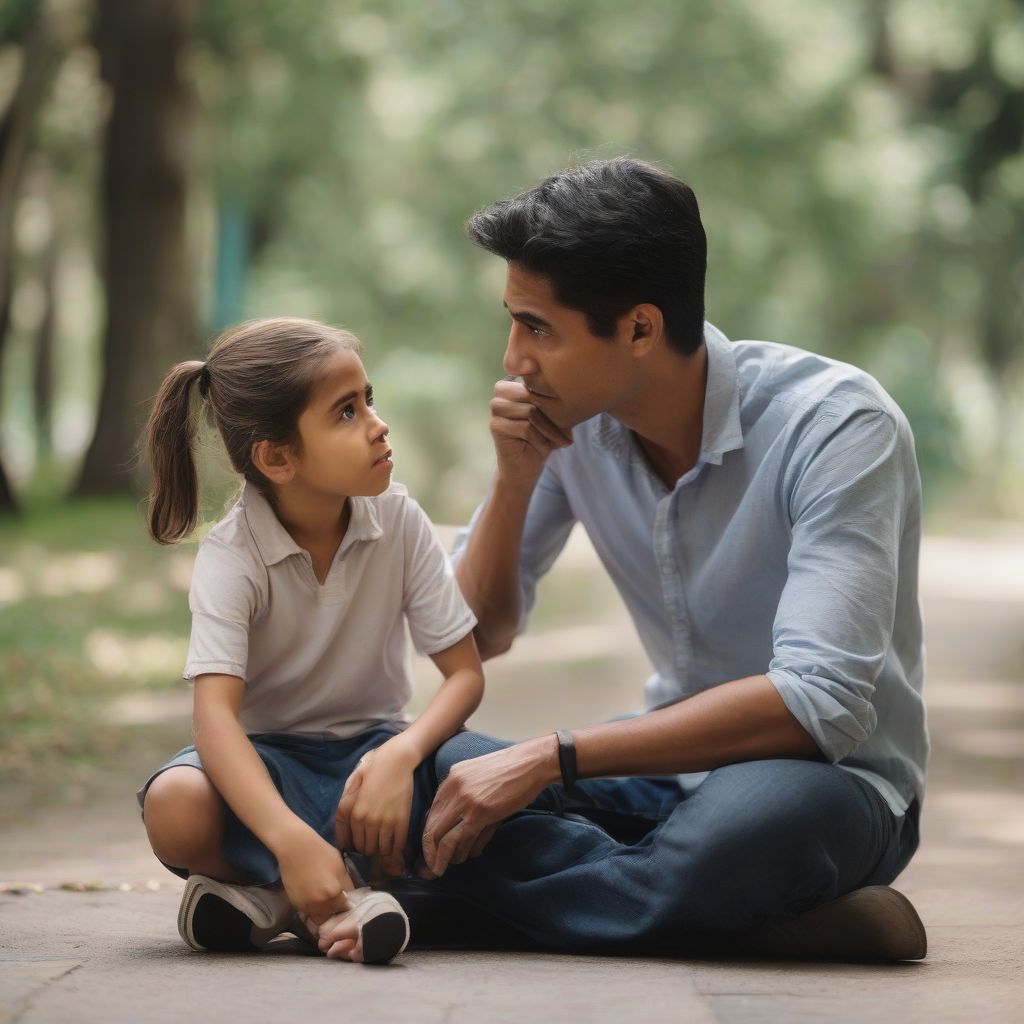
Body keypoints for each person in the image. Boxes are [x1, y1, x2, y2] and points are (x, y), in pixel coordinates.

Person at [374, 157, 929, 962]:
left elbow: (821, 707)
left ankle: (425, 905)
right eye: (513, 321)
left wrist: (552, 757)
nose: (512, 360)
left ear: (638, 329)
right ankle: (765, 920)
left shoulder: (838, 427)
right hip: (661, 776)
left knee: (739, 832)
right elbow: (475, 636)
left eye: (537, 328)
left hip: (826, 785)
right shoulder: (573, 422)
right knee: (433, 770)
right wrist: (516, 478)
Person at [138, 317, 484, 964]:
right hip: (268, 768)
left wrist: (403, 757)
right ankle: (336, 894)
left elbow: (465, 675)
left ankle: (270, 901)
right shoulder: (231, 556)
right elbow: (214, 720)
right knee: (175, 804)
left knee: (486, 777)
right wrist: (287, 837)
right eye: (346, 412)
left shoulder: (400, 520)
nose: (377, 424)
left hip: (379, 762)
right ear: (277, 457)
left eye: (369, 400)